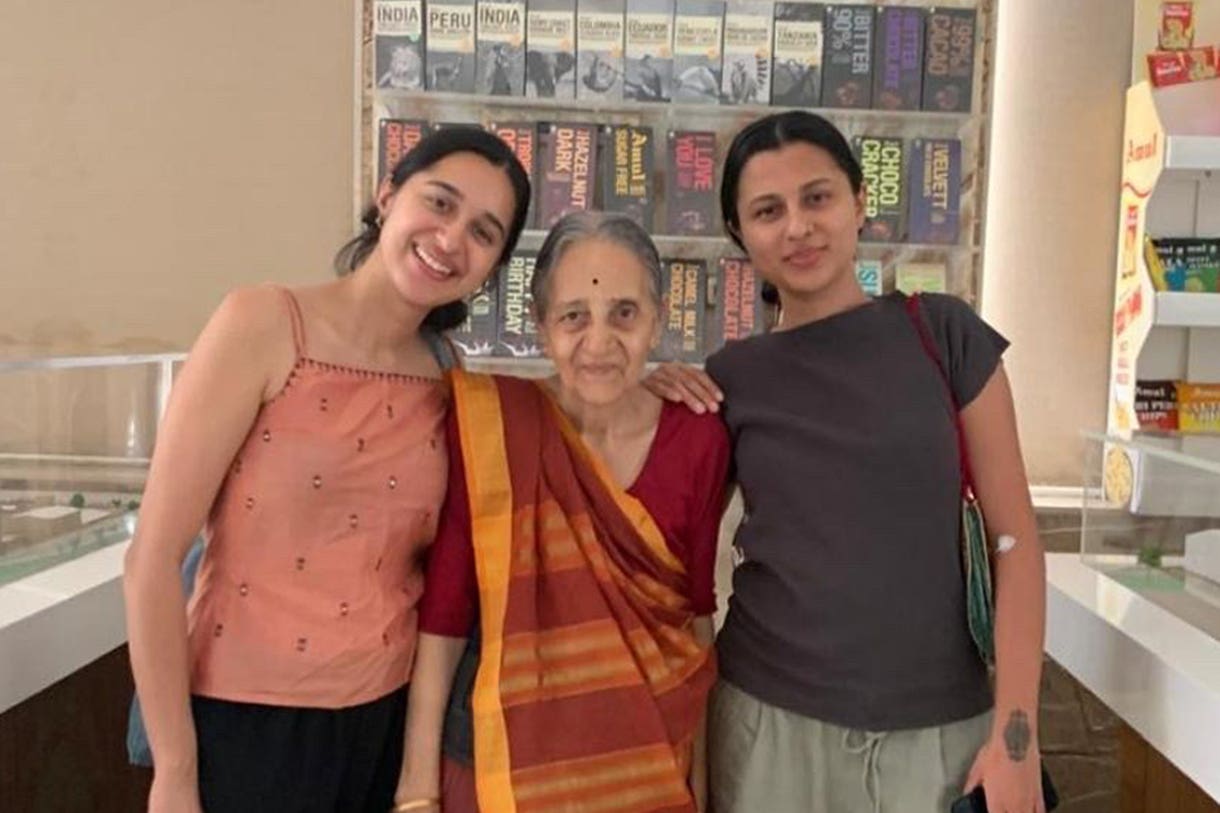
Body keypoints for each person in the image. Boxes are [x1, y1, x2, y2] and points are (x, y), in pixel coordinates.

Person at [646, 111, 1048, 813]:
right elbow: (662, 534)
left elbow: (1013, 540)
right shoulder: (730, 376)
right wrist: (637, 390)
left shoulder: (945, 335)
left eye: (817, 196)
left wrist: (1017, 736)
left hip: (940, 732)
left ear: (860, 202)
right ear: (741, 236)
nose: (797, 226)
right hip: (767, 726)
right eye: (768, 211)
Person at [122, 127, 532, 813]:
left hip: (382, 722)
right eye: (439, 202)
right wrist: (175, 770)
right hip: (245, 724)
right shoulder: (265, 323)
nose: (452, 237)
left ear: (491, 266)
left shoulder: (445, 374)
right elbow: (152, 559)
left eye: (484, 232)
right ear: (387, 196)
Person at [393, 212, 731, 812]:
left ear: (657, 320)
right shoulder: (494, 427)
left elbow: (694, 618)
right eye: (574, 316)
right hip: (499, 768)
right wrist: (417, 793)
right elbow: (443, 622)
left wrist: (699, 785)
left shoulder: (697, 438)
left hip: (647, 763)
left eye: (624, 313)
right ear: (542, 329)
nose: (599, 343)